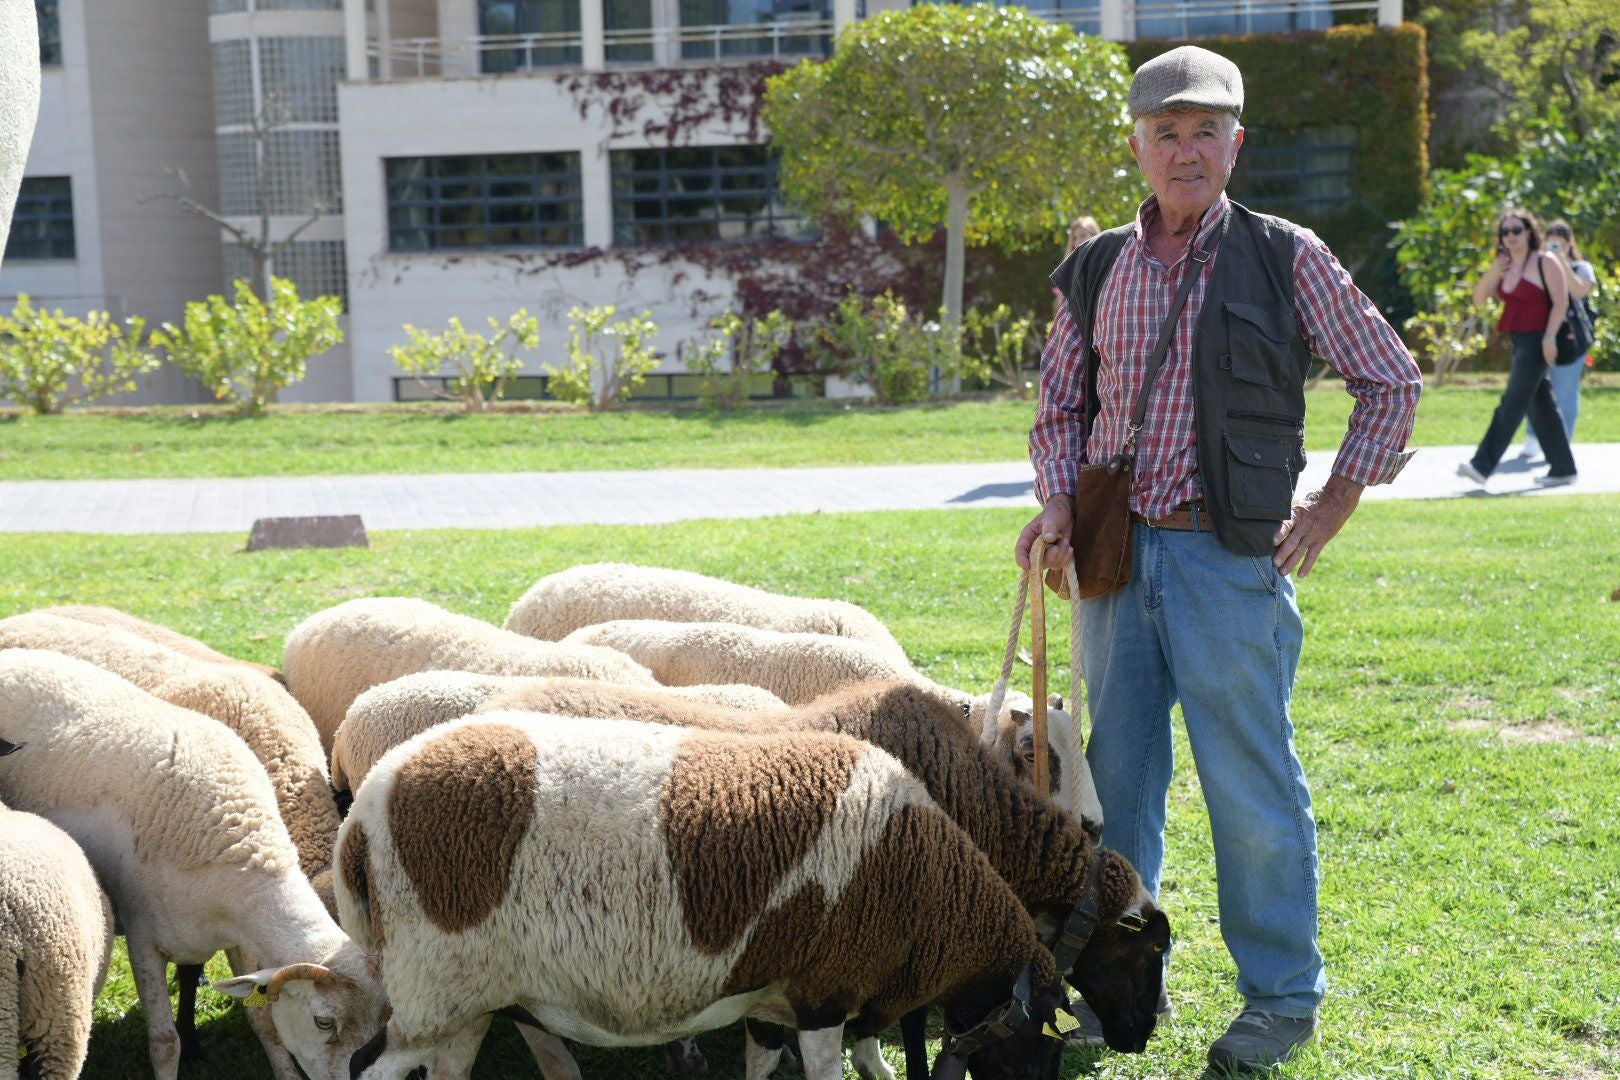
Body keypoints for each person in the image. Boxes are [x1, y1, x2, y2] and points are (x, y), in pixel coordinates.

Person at [1014, 45, 1421, 1074]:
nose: (1185, 151)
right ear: (1138, 146)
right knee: (1120, 789)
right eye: (1166, 132)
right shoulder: (1096, 264)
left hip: (1227, 563)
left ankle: (1280, 999)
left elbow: (1391, 380)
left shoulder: (1288, 253)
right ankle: (1112, 991)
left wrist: (1330, 506)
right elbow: (1062, 405)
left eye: (1205, 132)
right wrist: (1057, 504)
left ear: (1236, 144)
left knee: (1250, 790)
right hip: (1113, 563)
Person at [1455, 208, 1578, 486]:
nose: (1510, 236)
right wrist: (1493, 271)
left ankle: (1481, 466)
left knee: (1511, 404)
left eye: (1516, 230)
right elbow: (1479, 298)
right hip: (1519, 341)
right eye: (1505, 231)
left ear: (1529, 232)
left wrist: (1549, 338)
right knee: (1540, 404)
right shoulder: (1505, 263)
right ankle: (1563, 469)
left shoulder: (1545, 261)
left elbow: (1561, 302)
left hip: (1539, 341)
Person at [1514, 219, 1597, 461]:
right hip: (1542, 336)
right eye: (1550, 244)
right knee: (1537, 388)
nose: (1553, 249)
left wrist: (1560, 263)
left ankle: (1563, 444)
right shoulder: (1539, 267)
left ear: (1570, 243)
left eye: (1558, 245)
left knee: (1566, 392)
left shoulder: (1582, 267)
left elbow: (1579, 291)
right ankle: (1533, 438)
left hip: (1572, 341)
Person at [1052, 215, 1102, 321]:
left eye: (1082, 235)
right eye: (1074, 238)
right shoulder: (1068, 270)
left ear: (1095, 236)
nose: (1077, 242)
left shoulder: (1105, 264)